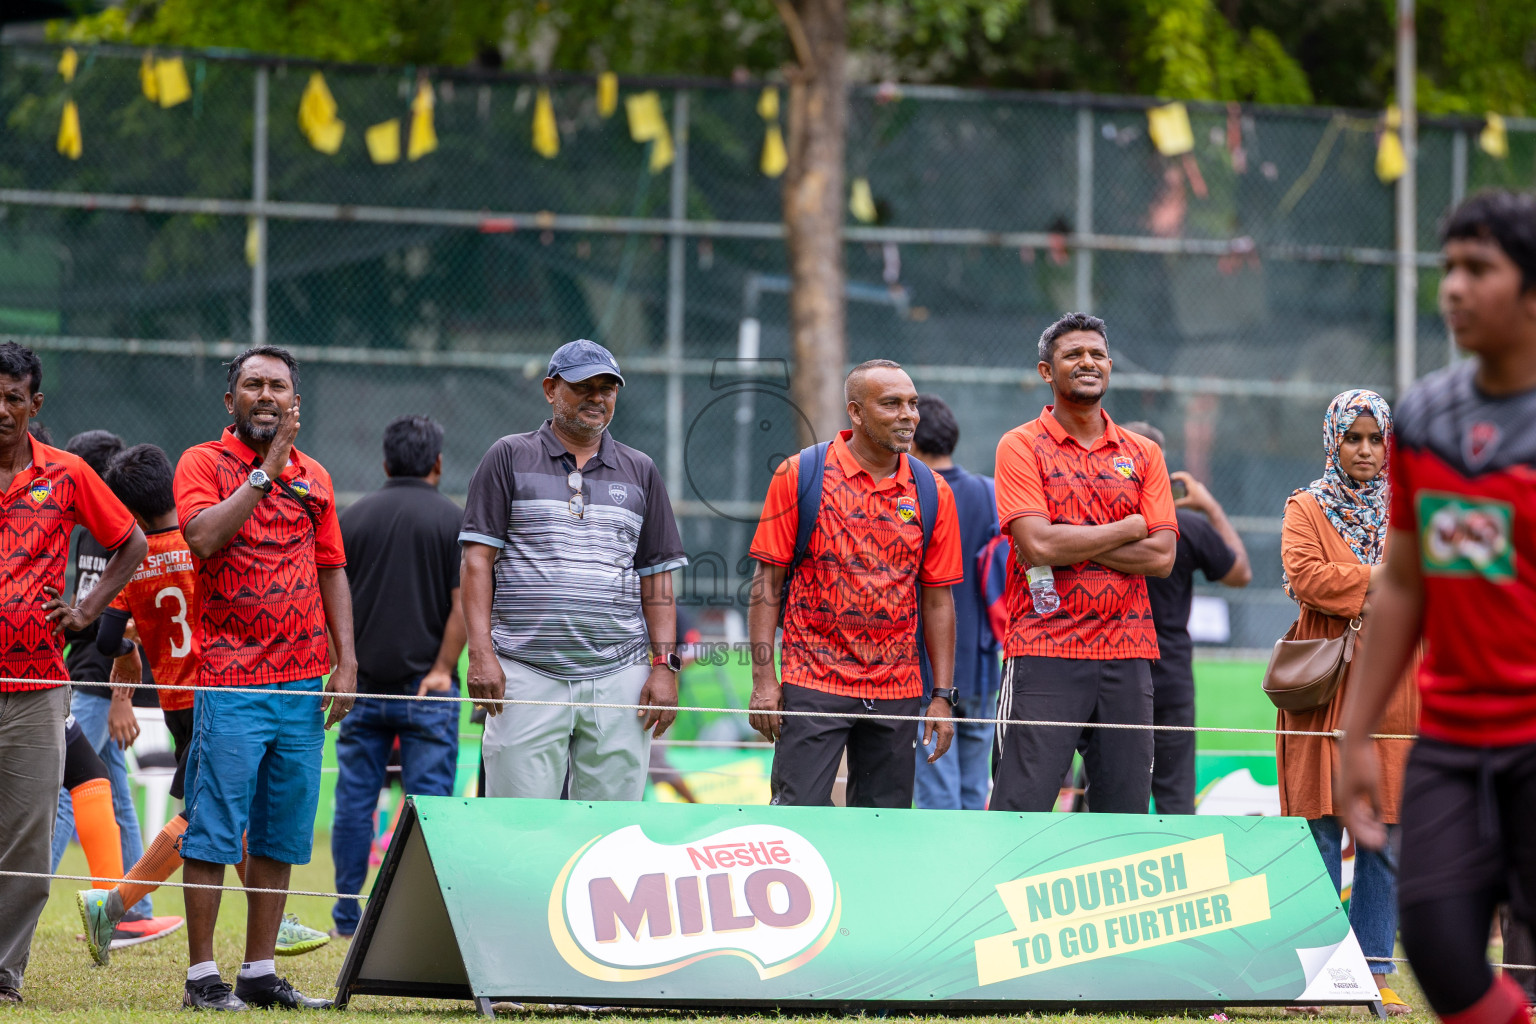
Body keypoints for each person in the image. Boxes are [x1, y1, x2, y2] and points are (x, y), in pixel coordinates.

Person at [1338, 190, 1536, 1024]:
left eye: (1478, 269)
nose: (1453, 288)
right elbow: (1407, 584)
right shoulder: (1421, 416)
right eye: (1448, 267)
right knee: (1438, 942)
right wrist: (1353, 731)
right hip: (1452, 738)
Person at [76, 443, 329, 965]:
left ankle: (118, 906)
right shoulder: (205, 543)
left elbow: (103, 640)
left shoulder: (137, 555)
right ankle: (114, 904)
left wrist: (128, 650)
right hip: (223, 690)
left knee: (216, 812)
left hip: (175, 697)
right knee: (208, 815)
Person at [172, 345, 357, 1011]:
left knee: (280, 833)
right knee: (214, 829)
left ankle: (258, 971)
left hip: (305, 684)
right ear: (231, 401)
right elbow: (201, 537)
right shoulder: (202, 463)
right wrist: (264, 471)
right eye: (252, 385)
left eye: (277, 386)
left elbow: (332, 567)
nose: (266, 395)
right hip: (230, 679)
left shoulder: (319, 479)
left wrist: (349, 661)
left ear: (295, 402)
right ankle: (201, 979)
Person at [461, 339, 687, 800]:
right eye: (584, 386)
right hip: (524, 672)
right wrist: (481, 654)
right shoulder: (507, 456)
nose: (597, 397)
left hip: (620, 675)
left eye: (608, 388)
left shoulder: (640, 469)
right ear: (550, 389)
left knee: (610, 835)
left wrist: (664, 667)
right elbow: (476, 561)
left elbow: (658, 579)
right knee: (520, 828)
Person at [0, 341, 146, 1005]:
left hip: (35, 689)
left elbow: (131, 542)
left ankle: (3, 976)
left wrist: (88, 605)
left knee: (27, 846)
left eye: (12, 398)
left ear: (35, 404)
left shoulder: (64, 475)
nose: (1, 410)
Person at [747, 360, 962, 807]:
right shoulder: (799, 474)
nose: (909, 415)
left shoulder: (933, 490)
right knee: (798, 817)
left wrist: (941, 696)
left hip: (897, 692)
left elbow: (938, 601)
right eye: (892, 404)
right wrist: (765, 680)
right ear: (856, 412)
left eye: (912, 403)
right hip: (813, 683)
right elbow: (767, 584)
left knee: (883, 829)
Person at [990, 313, 1177, 814]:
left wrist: (1066, 534)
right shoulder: (1020, 445)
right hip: (1045, 650)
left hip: (1128, 655)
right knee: (1019, 813)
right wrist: (1128, 527)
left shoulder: (1144, 453)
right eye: (1073, 354)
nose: (1087, 362)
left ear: (1110, 367)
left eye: (1096, 354)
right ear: (1046, 372)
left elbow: (1161, 557)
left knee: (1125, 816)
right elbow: (1037, 545)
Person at [1276, 390, 1417, 1014]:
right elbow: (1307, 577)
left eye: (1374, 439)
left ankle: (1375, 972)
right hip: (1323, 683)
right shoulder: (1305, 506)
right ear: (1333, 440)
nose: (1364, 450)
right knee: (1318, 825)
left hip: (1397, 684)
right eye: (1352, 438)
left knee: (1387, 828)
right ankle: (1313, 973)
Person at [330, 415, 466, 939]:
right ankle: (421, 917)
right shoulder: (453, 521)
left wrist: (348, 663)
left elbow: (330, 598)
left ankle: (345, 912)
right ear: (436, 463)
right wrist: (441, 669)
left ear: (385, 462)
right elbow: (461, 605)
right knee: (429, 806)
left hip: (361, 687)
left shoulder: (353, 518)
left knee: (354, 801)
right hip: (426, 691)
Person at [48, 432, 159, 930]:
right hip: (85, 670)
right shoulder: (81, 531)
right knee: (114, 794)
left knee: (64, 791)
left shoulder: (121, 533)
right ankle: (134, 906)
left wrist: (120, 696)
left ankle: (23, 897)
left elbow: (125, 620)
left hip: (100, 677)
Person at [1120, 421, 1252, 815]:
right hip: (1169, 674)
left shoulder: (1094, 524)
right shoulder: (1186, 526)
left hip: (1114, 671)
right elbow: (1240, 572)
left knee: (1108, 791)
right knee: (1175, 798)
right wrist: (1209, 507)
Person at [908, 394, 1000, 810]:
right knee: (973, 793)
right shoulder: (990, 493)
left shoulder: (912, 494)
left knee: (935, 796)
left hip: (927, 669)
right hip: (982, 666)